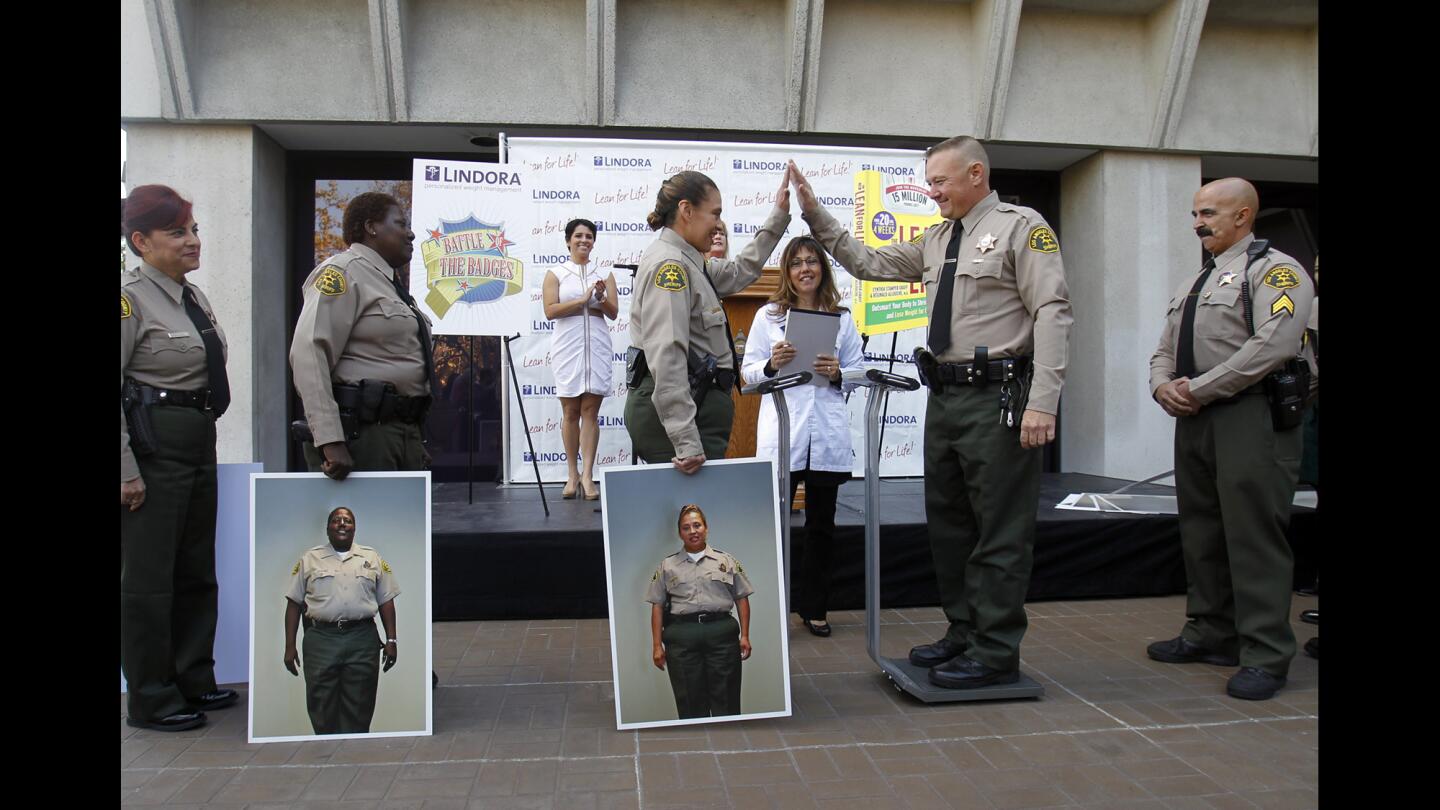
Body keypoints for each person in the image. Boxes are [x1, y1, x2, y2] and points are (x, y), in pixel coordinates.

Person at [787, 138, 1073, 689]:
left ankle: (995, 650)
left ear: (975, 174)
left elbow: (1053, 312)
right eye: (929, 181)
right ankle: (963, 632)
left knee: (999, 529)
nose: (932, 191)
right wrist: (813, 211)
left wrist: (1044, 399)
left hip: (999, 397)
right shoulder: (937, 238)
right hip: (945, 398)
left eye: (940, 181)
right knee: (949, 526)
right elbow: (867, 262)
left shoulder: (1022, 227)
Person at [1147, 178, 1315, 701]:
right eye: (1196, 213)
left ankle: (1265, 654)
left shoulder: (1278, 270)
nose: (1199, 223)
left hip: (1250, 415)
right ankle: (1209, 631)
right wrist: (1161, 386)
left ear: (1243, 215)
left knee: (1252, 537)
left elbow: (1275, 343)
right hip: (1196, 419)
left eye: (1210, 213)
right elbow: (1164, 347)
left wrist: (1198, 389)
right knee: (1202, 531)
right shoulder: (1195, 281)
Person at [121, 184, 239, 732]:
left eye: (194, 230)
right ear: (141, 241)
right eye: (178, 232)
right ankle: (151, 696)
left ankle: (194, 677)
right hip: (151, 447)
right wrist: (125, 471)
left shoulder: (191, 297)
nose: (193, 241)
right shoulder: (130, 299)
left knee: (196, 571)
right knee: (149, 581)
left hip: (196, 439)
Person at [624, 170, 792, 474]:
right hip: (688, 420)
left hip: (696, 412)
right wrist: (686, 441)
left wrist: (778, 216)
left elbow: (741, 271)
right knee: (689, 516)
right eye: (714, 213)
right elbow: (667, 355)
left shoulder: (688, 260)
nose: (717, 225)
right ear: (686, 210)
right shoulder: (671, 267)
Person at [740, 236, 863, 637]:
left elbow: (858, 371)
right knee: (774, 526)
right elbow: (748, 376)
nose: (805, 269)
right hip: (784, 431)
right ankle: (771, 608)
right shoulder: (768, 317)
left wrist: (838, 373)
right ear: (787, 272)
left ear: (823, 270)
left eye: (812, 262)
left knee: (821, 527)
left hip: (825, 434)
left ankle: (815, 608)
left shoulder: (841, 318)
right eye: (797, 263)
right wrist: (772, 365)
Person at [290, 191, 434, 481]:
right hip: (363, 434)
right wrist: (330, 440)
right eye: (401, 224)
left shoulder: (391, 285)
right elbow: (309, 352)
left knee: (401, 527)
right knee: (370, 527)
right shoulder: (341, 273)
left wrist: (412, 438)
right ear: (371, 227)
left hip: (399, 431)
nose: (411, 234)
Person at [283, 507, 400, 734]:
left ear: (355, 528)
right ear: (328, 528)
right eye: (337, 520)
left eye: (348, 520)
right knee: (321, 704)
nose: (343, 523)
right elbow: (294, 603)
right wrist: (289, 646)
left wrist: (392, 640)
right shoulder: (310, 559)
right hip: (321, 639)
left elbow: (386, 601)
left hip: (361, 638)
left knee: (360, 704)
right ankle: (326, 755)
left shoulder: (371, 557)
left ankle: (354, 755)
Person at [646, 504, 753, 719]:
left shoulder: (726, 561)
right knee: (689, 700)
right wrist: (657, 645)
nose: (692, 531)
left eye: (697, 525)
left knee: (727, 699)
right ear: (680, 533)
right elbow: (657, 606)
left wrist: (745, 635)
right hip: (682, 636)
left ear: (706, 528)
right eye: (686, 528)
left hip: (721, 633)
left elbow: (742, 599)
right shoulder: (667, 566)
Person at [543, 218, 619, 500]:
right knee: (570, 412)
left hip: (596, 343)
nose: (584, 240)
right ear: (567, 241)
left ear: (594, 241)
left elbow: (613, 312)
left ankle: (588, 476)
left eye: (589, 236)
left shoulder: (605, 273)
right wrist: (582, 299)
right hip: (568, 344)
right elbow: (550, 311)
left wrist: (599, 297)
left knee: (590, 411)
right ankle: (571, 474)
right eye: (578, 236)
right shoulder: (556, 273)